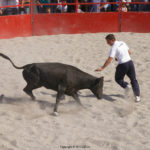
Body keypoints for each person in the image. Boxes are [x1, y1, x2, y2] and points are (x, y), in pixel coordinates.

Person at [95, 34, 140, 102]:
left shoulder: (113, 47)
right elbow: (129, 52)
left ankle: (126, 86)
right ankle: (137, 97)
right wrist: (118, 57)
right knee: (133, 79)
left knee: (118, 79)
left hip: (122, 65)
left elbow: (109, 59)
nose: (107, 43)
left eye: (108, 41)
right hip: (130, 63)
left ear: (112, 40)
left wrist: (102, 68)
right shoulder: (122, 42)